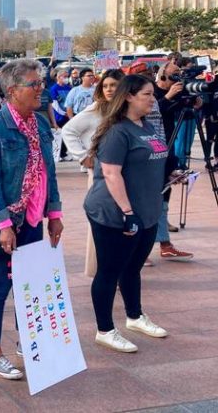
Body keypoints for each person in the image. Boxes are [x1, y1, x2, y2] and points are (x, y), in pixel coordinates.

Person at [0, 59, 63, 380]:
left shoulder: (40, 124)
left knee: (30, 283)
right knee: (1, 285)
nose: (41, 88)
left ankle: (28, 339)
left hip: (33, 218)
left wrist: (54, 214)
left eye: (41, 83)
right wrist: (3, 225)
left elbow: (48, 173)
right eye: (34, 84)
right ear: (13, 91)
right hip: (5, 220)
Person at [83, 74, 174, 352]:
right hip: (115, 213)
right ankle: (105, 329)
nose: (153, 98)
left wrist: (173, 172)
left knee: (132, 268)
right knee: (110, 271)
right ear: (129, 97)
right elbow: (111, 173)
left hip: (147, 210)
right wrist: (127, 211)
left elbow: (153, 159)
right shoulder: (117, 131)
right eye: (147, 94)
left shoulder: (146, 126)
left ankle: (134, 316)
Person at [62, 69, 125, 276]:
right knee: (103, 223)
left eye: (114, 85)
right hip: (100, 176)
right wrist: (83, 156)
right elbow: (68, 130)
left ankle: (120, 269)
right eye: (105, 86)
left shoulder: (126, 111)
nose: (109, 89)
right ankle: (101, 271)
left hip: (125, 174)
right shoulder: (96, 109)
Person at [153, 60, 196, 261]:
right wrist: (168, 97)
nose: (176, 79)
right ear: (162, 76)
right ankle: (145, 248)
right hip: (151, 149)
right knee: (149, 200)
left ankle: (165, 243)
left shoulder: (177, 91)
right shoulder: (150, 91)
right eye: (173, 76)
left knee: (164, 193)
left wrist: (195, 100)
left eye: (179, 75)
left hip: (167, 148)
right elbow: (151, 113)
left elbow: (188, 109)